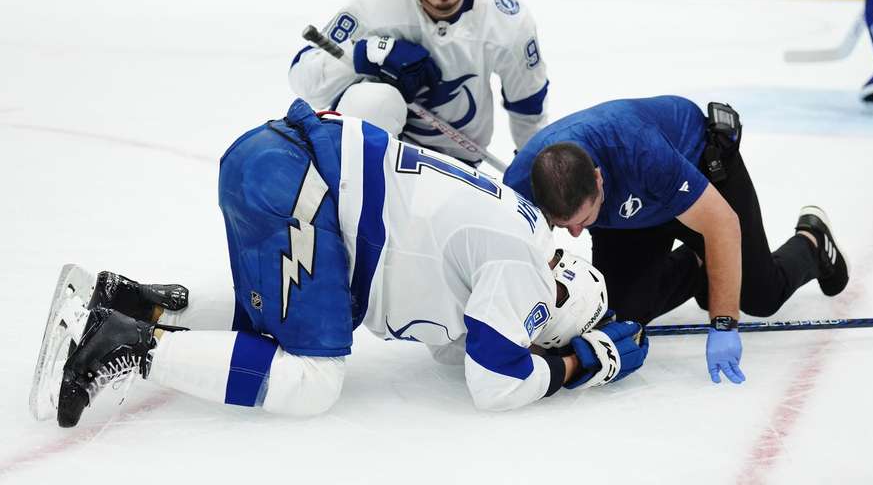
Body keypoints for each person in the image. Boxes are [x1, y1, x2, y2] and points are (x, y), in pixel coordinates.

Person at [32, 98, 648, 428]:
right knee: (311, 381)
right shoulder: (526, 268)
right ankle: (125, 343)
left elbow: (454, 352)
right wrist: (580, 362)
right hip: (303, 182)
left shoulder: (518, 232)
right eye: (557, 314)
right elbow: (494, 385)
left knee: (281, 323)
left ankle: (133, 299)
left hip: (281, 159)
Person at [502, 96, 849, 385]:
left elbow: (722, 224)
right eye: (565, 226)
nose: (575, 234)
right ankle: (701, 266)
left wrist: (723, 324)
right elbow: (513, 257)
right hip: (629, 216)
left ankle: (811, 242)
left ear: (598, 178)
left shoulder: (639, 150)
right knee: (617, 320)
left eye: (582, 222)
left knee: (760, 296)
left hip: (696, 174)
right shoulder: (521, 183)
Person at [288, 0, 549, 166]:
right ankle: (357, 188)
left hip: (461, 162)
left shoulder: (506, 19)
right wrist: (362, 54)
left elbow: (528, 109)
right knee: (370, 101)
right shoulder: (377, 3)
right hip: (387, 154)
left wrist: (532, 171)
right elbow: (305, 81)